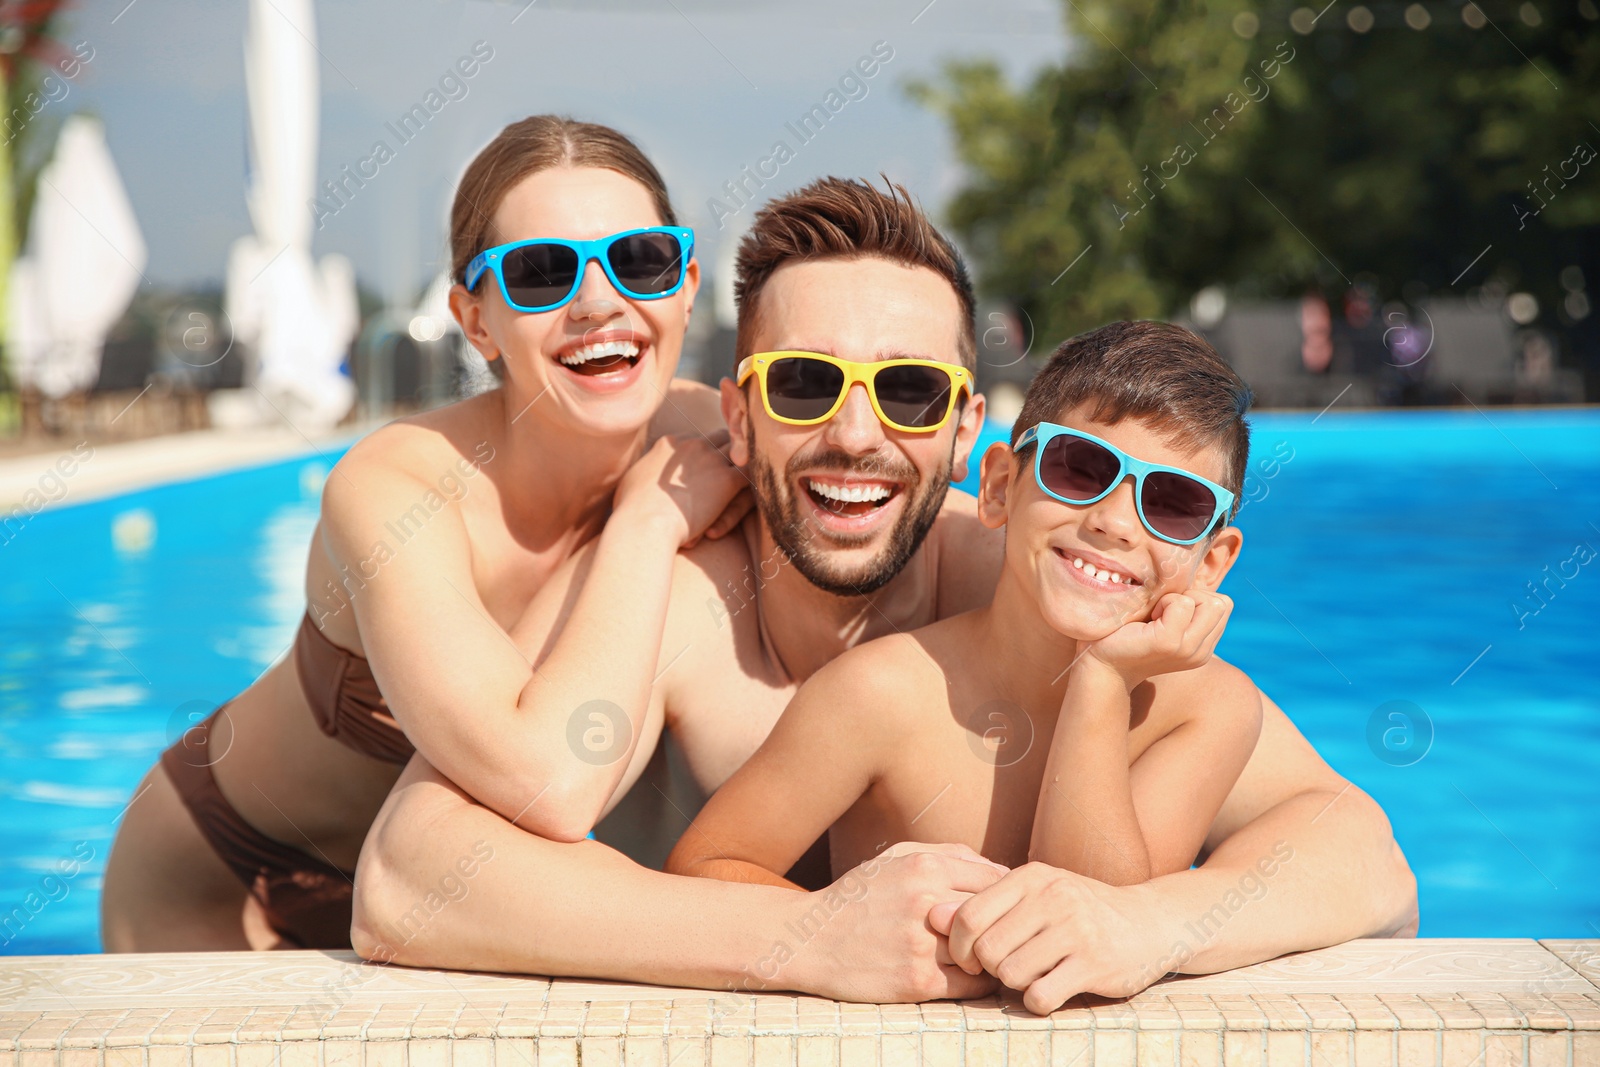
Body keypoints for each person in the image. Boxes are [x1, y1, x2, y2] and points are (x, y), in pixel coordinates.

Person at [352, 179, 1418, 1011]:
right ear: (739, 415)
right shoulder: (682, 608)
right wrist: (808, 937)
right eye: (806, 382)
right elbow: (408, 882)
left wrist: (1154, 927)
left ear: (968, 440)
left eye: (907, 390)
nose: (856, 434)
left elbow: (1363, 857)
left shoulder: (1049, 571)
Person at [100, 115, 747, 950]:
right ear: (475, 320)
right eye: (542, 273)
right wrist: (645, 524)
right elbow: (538, 782)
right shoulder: (396, 488)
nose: (599, 301)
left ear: (688, 281)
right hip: (229, 870)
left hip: (461, 892)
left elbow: (887, 525)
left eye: (640, 259)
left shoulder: (710, 444)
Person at [666, 322, 1268, 955]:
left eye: (1175, 503)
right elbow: (704, 870)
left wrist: (1102, 680)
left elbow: (1092, 934)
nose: (1115, 522)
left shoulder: (1209, 712)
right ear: (1000, 486)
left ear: (1211, 563)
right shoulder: (878, 695)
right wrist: (837, 929)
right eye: (1080, 467)